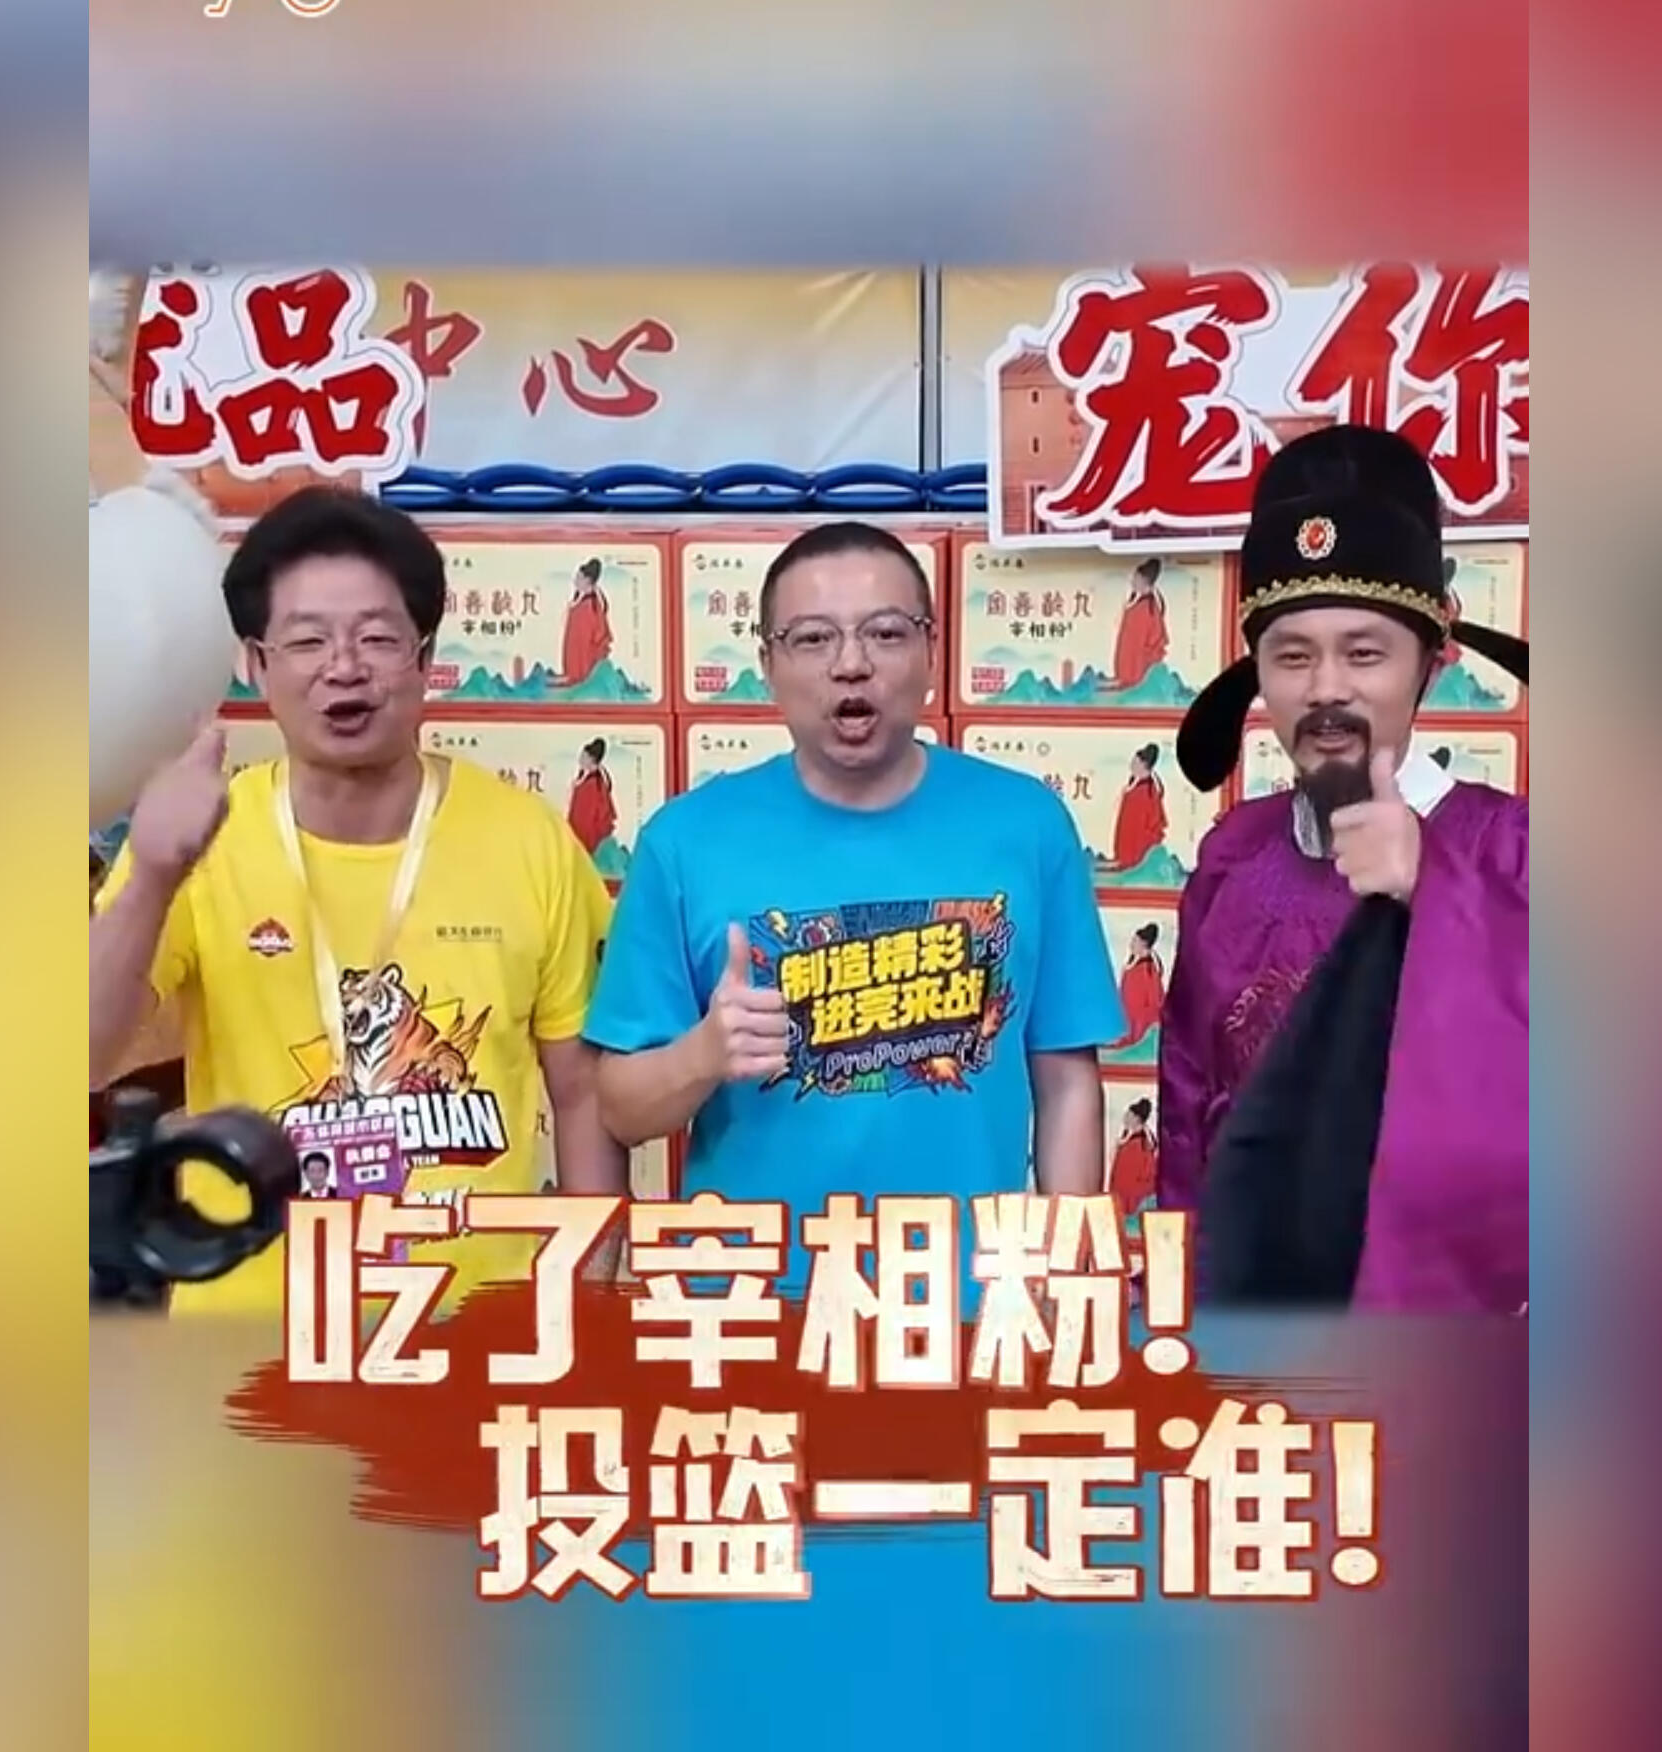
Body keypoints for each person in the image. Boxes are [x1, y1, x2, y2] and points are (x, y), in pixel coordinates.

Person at [92, 486, 624, 1315]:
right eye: (307, 640)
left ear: (425, 656)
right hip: (248, 1334)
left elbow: (584, 1095)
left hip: (480, 1330)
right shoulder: (200, 843)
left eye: (377, 637)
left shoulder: (531, 841)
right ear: (255, 664)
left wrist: (588, 1304)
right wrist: (155, 875)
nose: (344, 667)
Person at [584, 520, 1120, 1236]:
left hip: (966, 1284)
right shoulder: (684, 842)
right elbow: (619, 1110)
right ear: (768, 664)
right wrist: (702, 1056)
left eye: (886, 633)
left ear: (932, 651)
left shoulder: (1027, 823)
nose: (851, 664)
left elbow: (1067, 1082)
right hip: (752, 1286)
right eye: (812, 638)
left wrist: (1066, 1265)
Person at [1156, 424, 1530, 1310]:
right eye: (1293, 655)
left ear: (1432, 660)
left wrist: (1434, 888)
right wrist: (1177, 1305)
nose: (1327, 688)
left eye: (1365, 653)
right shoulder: (1233, 857)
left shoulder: (1517, 853)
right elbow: (1188, 1116)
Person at [1108, 742, 1170, 872]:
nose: (1132, 765)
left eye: (1135, 763)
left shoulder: (1147, 791)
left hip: (1139, 838)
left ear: (1144, 765)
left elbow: (1149, 821)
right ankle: (1125, 859)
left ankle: (1131, 860)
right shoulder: (1136, 785)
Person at [1109, 556, 1168, 689]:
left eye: (1136, 578)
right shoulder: (1141, 605)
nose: (1133, 581)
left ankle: (1129, 678)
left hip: (1138, 663)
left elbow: (1143, 642)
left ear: (1144, 581)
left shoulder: (1147, 609)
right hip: (1130, 661)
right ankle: (1125, 677)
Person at [560, 557, 614, 687]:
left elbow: (587, 640)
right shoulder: (582, 602)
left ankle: (579, 675)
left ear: (587, 580)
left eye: (579, 578)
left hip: (585, 659)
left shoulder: (589, 606)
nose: (575, 581)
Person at [1114, 920, 1166, 1050]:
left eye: (1135, 941)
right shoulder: (1135, 966)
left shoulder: (1147, 970)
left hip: (1140, 1025)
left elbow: (1154, 1000)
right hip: (1129, 1021)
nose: (1131, 945)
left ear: (1143, 944)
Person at [565, 736, 619, 859]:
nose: (580, 759)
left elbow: (586, 818)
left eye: (584, 756)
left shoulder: (592, 785)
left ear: (591, 759)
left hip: (588, 837)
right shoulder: (589, 778)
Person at [1109, 1098, 1158, 1214]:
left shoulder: (1141, 1143)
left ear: (1136, 1118)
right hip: (1124, 1192)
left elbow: (1145, 1173)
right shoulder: (1128, 1138)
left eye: (1128, 1115)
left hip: (1133, 1196)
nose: (1125, 1118)